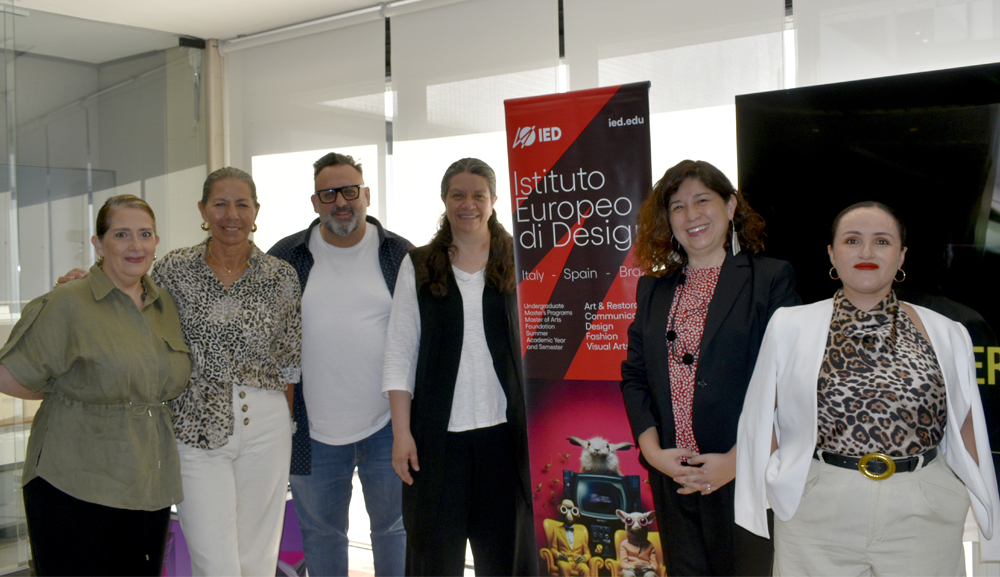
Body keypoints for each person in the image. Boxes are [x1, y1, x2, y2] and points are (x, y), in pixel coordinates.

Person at [56, 167, 302, 576]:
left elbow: (289, 361)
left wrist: (281, 426)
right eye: (220, 203)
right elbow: (126, 293)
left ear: (256, 211)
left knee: (258, 556)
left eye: (242, 204)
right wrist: (83, 281)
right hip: (194, 426)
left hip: (267, 425)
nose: (231, 214)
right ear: (203, 209)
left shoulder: (281, 276)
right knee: (214, 558)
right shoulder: (173, 269)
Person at [735, 201, 1000, 574]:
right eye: (852, 240)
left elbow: (966, 425)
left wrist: (960, 494)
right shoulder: (789, 326)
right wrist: (785, 483)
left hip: (923, 514)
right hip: (817, 514)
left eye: (881, 241)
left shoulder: (948, 331)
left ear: (901, 255)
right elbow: (762, 418)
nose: (866, 252)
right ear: (832, 253)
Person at [620, 159, 799, 576]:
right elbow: (635, 377)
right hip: (674, 481)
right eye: (678, 207)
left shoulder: (769, 279)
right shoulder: (653, 289)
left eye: (702, 200)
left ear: (731, 206)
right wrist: (653, 455)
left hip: (746, 479)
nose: (691, 215)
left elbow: (788, 382)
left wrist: (738, 462)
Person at [0, 195, 191, 576]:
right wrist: (65, 389)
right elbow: (9, 374)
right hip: (73, 481)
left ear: (156, 242)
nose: (135, 246)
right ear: (99, 244)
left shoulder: (164, 304)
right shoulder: (68, 301)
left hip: (146, 481)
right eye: (121, 234)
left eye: (145, 234)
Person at [382, 158, 536, 575]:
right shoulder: (418, 264)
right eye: (458, 195)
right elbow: (400, 353)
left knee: (507, 559)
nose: (468, 204)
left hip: (505, 440)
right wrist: (401, 433)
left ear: (494, 201)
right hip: (436, 442)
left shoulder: (522, 260)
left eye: (478, 195)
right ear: (445, 200)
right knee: (433, 559)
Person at [268, 152, 411, 576]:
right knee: (322, 535)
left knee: (395, 531)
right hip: (311, 432)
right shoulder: (286, 257)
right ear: (315, 202)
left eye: (350, 190)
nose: (341, 202)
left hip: (389, 428)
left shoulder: (400, 254)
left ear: (366, 194)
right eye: (328, 193)